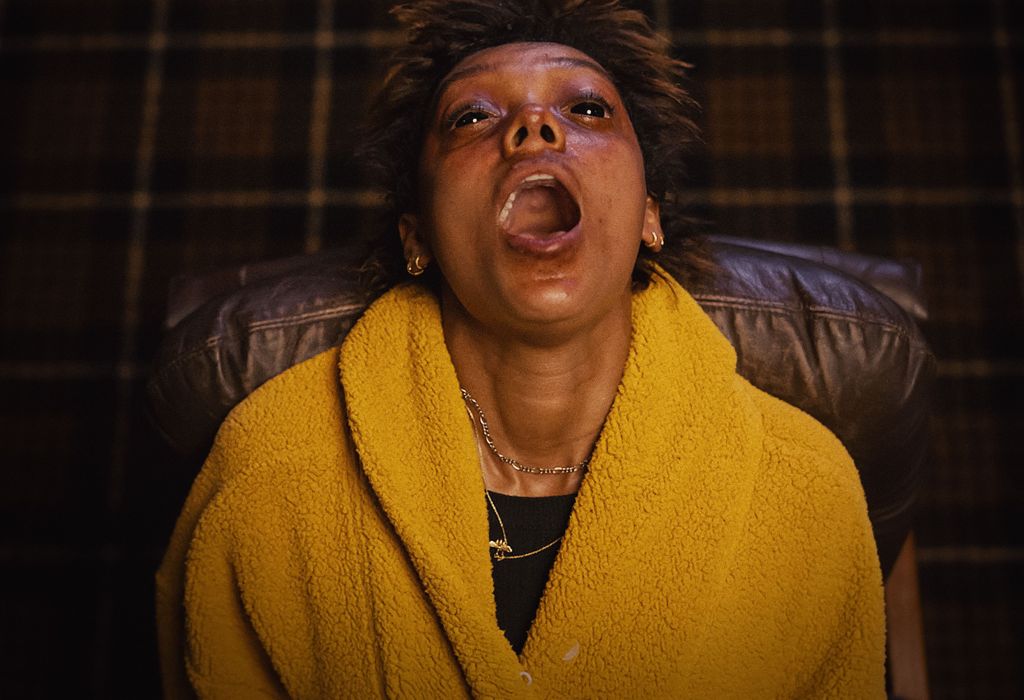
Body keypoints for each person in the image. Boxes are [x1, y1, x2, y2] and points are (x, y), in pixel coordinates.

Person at [156, 1, 886, 696]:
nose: (534, 126)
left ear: (649, 217)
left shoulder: (807, 490)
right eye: (472, 116)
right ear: (417, 237)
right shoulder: (269, 472)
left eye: (587, 109)